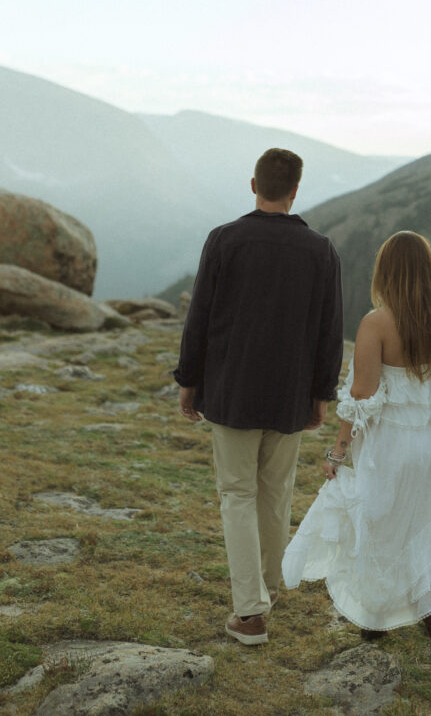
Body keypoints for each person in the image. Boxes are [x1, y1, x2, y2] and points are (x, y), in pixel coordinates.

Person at [282, 230, 431, 668]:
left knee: (380, 525)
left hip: (395, 446)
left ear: (386, 273)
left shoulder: (376, 323)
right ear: (429, 272)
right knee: (427, 527)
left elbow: (361, 398)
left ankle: (384, 620)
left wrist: (338, 451)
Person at [174, 148, 343, 645]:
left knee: (237, 494)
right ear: (295, 191)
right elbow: (328, 331)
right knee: (275, 494)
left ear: (254, 185)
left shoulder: (225, 240)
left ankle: (250, 612)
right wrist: (321, 395)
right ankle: (267, 585)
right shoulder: (321, 250)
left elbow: (199, 316)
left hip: (231, 391)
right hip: (289, 394)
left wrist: (189, 380)